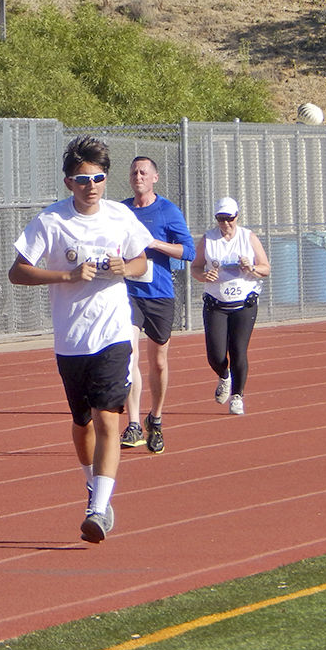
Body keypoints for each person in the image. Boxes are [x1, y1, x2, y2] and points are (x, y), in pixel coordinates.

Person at [8, 136, 152, 543]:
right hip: (71, 338)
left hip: (113, 332)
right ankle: (93, 484)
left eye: (99, 178)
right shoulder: (51, 222)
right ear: (69, 181)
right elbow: (18, 272)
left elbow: (143, 261)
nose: (92, 186)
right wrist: (67, 276)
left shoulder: (120, 218)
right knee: (82, 420)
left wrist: (125, 267)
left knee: (109, 417)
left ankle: (98, 506)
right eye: (83, 179)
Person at [120, 157, 195, 454]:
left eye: (143, 172)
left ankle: (157, 418)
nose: (137, 176)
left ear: (155, 178)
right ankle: (134, 424)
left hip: (159, 293)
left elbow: (188, 251)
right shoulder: (122, 210)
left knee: (159, 361)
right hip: (127, 292)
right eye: (134, 172)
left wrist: (154, 243)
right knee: (129, 353)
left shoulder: (167, 210)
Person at [191, 197, 271, 416]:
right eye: (220, 219)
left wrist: (251, 267)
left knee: (238, 350)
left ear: (237, 216)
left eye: (229, 219)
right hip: (216, 303)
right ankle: (224, 375)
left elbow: (266, 268)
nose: (225, 224)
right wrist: (204, 275)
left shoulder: (248, 237)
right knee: (215, 355)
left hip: (244, 303)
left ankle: (238, 396)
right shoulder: (209, 239)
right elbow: (195, 268)